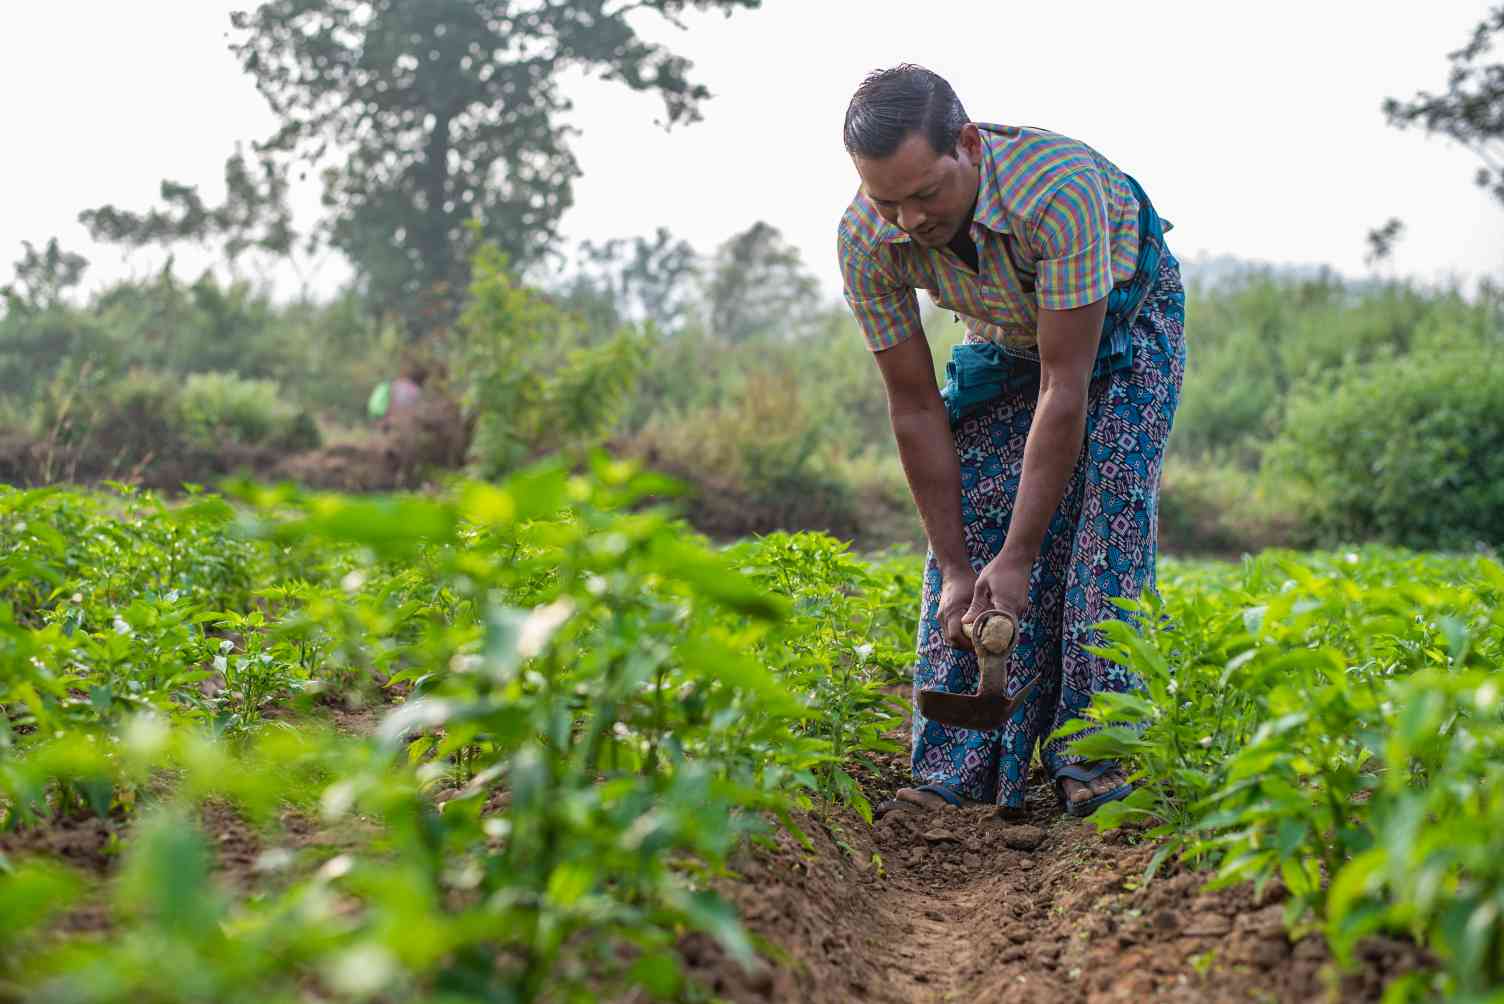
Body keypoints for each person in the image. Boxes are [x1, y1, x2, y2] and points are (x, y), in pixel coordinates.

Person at [836, 65, 1186, 818]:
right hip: (1006, 340)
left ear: (967, 144)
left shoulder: (1054, 192)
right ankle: (954, 764)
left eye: (925, 194)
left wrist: (1022, 556)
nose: (909, 221)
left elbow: (1067, 385)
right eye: (885, 199)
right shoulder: (867, 238)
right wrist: (965, 565)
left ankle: (1096, 755)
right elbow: (915, 406)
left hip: (1124, 323)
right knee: (970, 531)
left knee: (1105, 534)